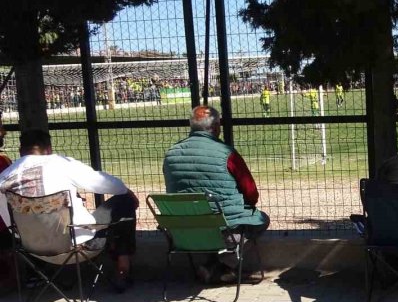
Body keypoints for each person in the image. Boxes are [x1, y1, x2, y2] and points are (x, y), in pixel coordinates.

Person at [0, 129, 139, 292]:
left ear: (20, 150)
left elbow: (7, 220)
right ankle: (123, 270)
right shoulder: (61, 164)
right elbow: (113, 186)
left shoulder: (4, 177)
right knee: (125, 200)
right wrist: (126, 191)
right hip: (78, 245)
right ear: (49, 149)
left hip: (32, 250)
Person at [163, 106, 269, 283]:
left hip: (184, 232)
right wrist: (248, 204)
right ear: (217, 127)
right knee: (261, 219)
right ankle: (222, 265)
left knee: (212, 220)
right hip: (223, 229)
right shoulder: (226, 153)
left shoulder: (171, 154)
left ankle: (213, 266)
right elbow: (251, 192)